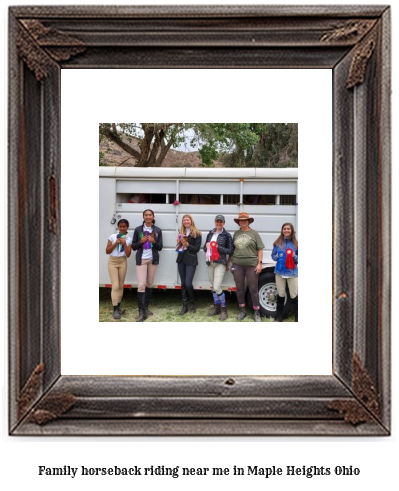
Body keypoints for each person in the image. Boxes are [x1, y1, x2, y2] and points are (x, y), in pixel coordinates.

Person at [230, 212, 264, 322]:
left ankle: (256, 312)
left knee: (253, 288)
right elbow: (233, 249)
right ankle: (242, 310)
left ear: (248, 221)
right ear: (238, 222)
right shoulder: (236, 233)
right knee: (239, 288)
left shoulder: (254, 233)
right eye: (241, 220)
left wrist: (259, 263)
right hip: (237, 264)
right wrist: (229, 263)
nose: (243, 222)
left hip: (251, 265)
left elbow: (260, 249)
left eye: (245, 220)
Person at [132, 209, 163, 322]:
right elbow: (134, 247)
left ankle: (146, 308)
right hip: (141, 259)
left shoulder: (157, 230)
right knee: (141, 285)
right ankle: (141, 312)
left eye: (150, 215)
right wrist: (141, 241)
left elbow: (160, 247)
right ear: (143, 217)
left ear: (153, 217)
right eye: (146, 215)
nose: (148, 217)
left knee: (149, 284)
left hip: (152, 259)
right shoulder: (138, 230)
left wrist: (153, 241)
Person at [204, 214, 233, 320]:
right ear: (215, 222)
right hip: (210, 263)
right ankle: (216, 308)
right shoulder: (210, 233)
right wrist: (207, 247)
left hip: (220, 263)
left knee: (217, 287)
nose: (219, 223)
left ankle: (224, 310)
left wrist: (217, 247)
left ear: (223, 223)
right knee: (214, 287)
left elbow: (230, 251)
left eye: (221, 222)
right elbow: (204, 248)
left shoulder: (227, 235)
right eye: (217, 221)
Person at [105, 219, 132, 320]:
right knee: (115, 285)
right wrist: (115, 243)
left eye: (124, 227)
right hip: (112, 261)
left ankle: (118, 307)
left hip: (122, 261)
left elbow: (128, 255)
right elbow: (107, 251)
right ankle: (115, 309)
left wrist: (125, 244)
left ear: (127, 227)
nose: (122, 228)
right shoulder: (112, 237)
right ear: (118, 227)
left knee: (121, 285)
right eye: (120, 226)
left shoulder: (129, 239)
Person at [271, 223, 298, 322]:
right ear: (282, 230)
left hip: (292, 273)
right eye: (284, 229)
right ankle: (279, 317)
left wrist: (294, 256)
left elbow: (299, 259)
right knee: (280, 294)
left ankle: (297, 318)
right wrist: (276, 256)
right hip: (279, 272)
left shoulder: (296, 244)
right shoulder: (277, 243)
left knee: (294, 295)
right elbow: (273, 256)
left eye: (288, 229)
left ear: (292, 230)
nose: (286, 230)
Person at [176, 214, 202, 315]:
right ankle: (185, 305)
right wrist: (179, 243)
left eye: (188, 220)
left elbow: (197, 249)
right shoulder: (181, 232)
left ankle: (192, 303)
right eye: (184, 220)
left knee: (188, 283)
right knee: (183, 284)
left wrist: (188, 245)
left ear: (191, 221)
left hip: (191, 260)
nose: (186, 222)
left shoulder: (197, 233)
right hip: (181, 259)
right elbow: (178, 248)